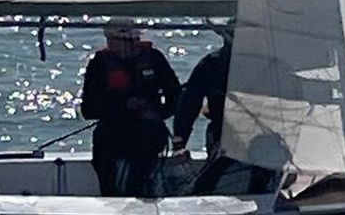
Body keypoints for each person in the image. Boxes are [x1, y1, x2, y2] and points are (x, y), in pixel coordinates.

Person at [80, 18, 181, 197]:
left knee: (142, 163)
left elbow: (176, 96)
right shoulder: (99, 64)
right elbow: (88, 109)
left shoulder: (154, 58)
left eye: (135, 40)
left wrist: (155, 113)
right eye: (125, 42)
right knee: (106, 164)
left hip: (148, 131)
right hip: (113, 133)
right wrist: (123, 106)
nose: (131, 46)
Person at [172, 24, 232, 155]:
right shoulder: (212, 63)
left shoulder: (268, 66)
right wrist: (179, 141)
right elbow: (189, 103)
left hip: (260, 136)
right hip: (221, 132)